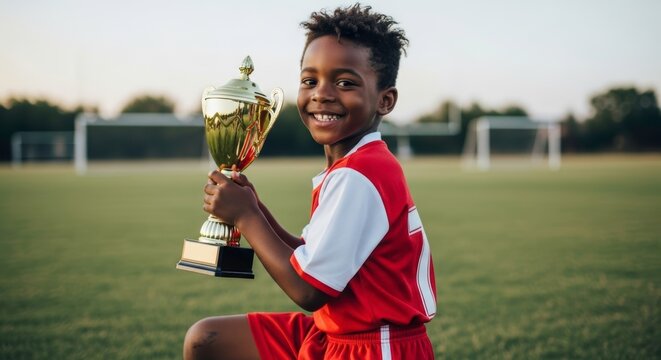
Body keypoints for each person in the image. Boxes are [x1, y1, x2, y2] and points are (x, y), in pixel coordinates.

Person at [184, 4, 437, 359]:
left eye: (345, 82)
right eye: (309, 80)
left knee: (208, 339)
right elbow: (312, 257)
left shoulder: (360, 175)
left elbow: (308, 289)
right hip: (333, 331)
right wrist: (257, 210)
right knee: (207, 338)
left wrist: (246, 217)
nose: (322, 93)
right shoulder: (357, 165)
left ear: (385, 100)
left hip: (372, 345)